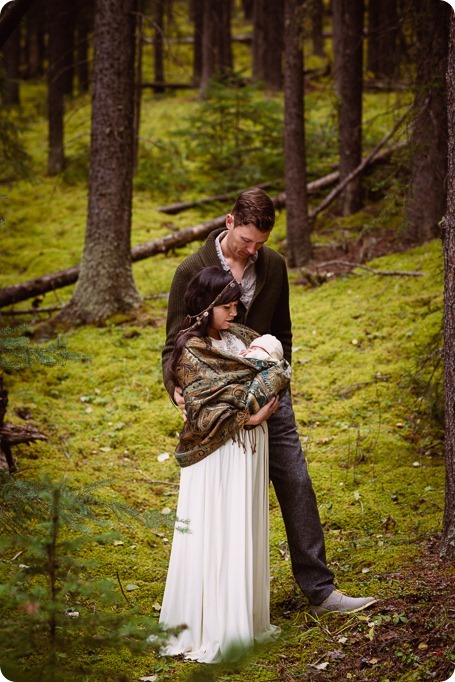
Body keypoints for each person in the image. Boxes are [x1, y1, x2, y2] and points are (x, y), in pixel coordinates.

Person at [162, 187, 376, 615]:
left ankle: (321, 590)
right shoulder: (192, 269)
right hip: (219, 406)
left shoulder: (274, 265)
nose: (253, 249)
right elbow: (172, 345)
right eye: (246, 240)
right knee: (228, 498)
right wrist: (176, 390)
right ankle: (218, 602)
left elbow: (285, 333)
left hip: (271, 398)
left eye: (260, 242)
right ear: (229, 222)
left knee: (295, 480)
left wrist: (276, 388)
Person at [159, 266, 291, 663]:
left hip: (249, 450)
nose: (234, 313)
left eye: (236, 305)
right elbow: (205, 404)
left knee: (243, 527)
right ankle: (211, 625)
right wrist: (247, 414)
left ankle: (244, 622)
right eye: (228, 307)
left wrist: (267, 396)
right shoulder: (191, 349)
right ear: (206, 306)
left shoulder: (244, 338)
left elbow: (277, 370)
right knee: (216, 530)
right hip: (216, 454)